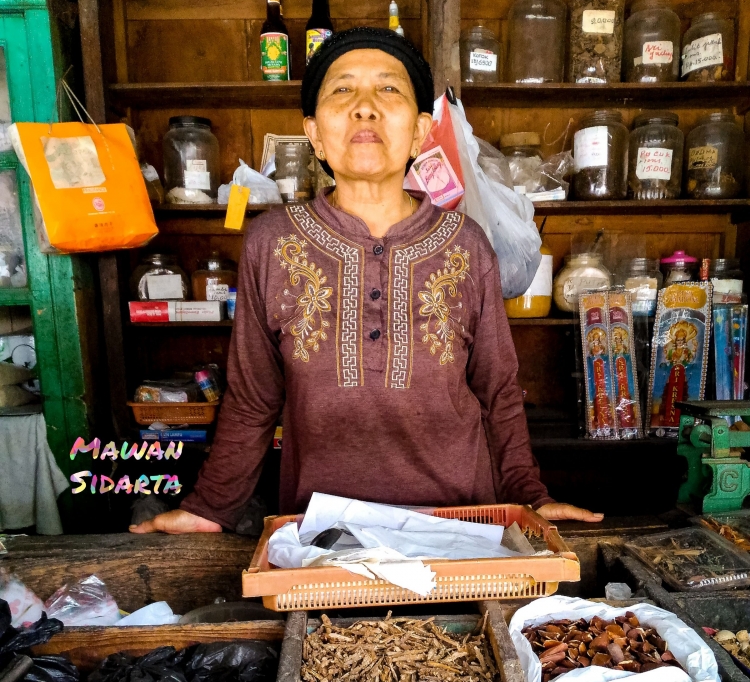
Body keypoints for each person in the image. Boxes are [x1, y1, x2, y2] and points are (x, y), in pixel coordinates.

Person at [131, 27, 602, 536]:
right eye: (342, 90)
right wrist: (210, 508)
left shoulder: (467, 246)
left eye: (389, 89)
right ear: (313, 133)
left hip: (460, 526)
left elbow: (498, 391)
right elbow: (253, 397)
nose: (365, 108)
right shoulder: (271, 243)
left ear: (421, 131)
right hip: (322, 532)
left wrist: (528, 496)